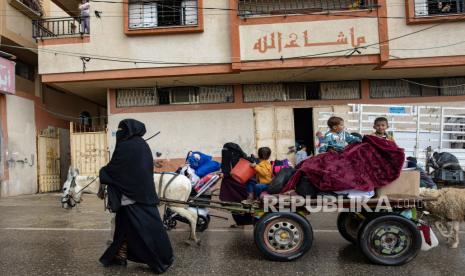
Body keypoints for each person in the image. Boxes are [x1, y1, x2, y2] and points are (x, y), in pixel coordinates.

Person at [99, 119, 174, 273]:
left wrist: (103, 172)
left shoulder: (125, 146)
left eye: (122, 129)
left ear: (129, 130)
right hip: (143, 193)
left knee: (146, 230)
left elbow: (116, 169)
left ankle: (162, 258)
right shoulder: (141, 144)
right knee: (122, 226)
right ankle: (119, 254)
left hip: (131, 196)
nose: (119, 132)